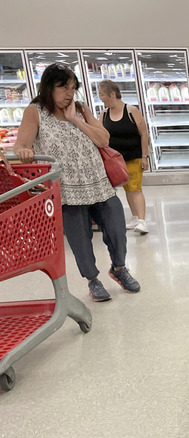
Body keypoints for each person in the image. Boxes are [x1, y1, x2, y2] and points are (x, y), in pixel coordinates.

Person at [13, 63, 141, 302]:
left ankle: (119, 269)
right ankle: (93, 280)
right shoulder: (36, 110)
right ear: (49, 88)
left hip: (99, 181)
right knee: (79, 238)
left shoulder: (80, 108)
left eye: (73, 87)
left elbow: (103, 139)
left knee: (116, 227)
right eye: (63, 88)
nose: (69, 93)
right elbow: (21, 145)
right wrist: (23, 152)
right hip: (67, 189)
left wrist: (76, 119)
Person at [98, 80, 150, 235]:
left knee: (135, 188)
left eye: (102, 94)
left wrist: (144, 156)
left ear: (112, 94)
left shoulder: (131, 111)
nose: (100, 98)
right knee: (127, 188)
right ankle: (135, 217)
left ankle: (142, 221)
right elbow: (100, 135)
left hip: (133, 157)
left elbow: (143, 134)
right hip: (115, 160)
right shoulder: (104, 114)